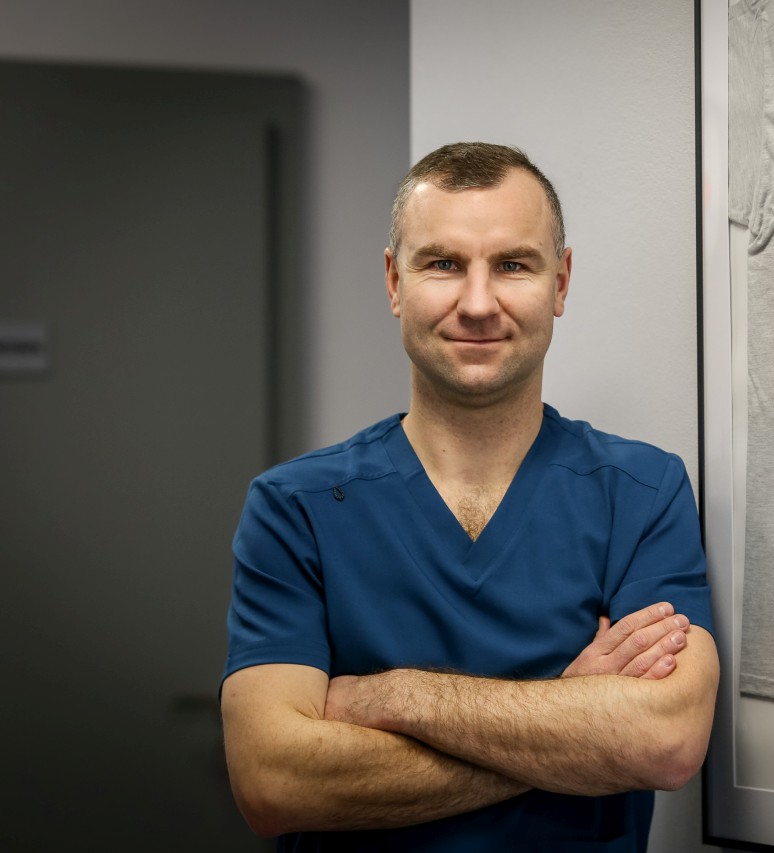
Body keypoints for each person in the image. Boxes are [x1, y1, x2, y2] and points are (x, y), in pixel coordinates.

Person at [219, 142, 718, 851]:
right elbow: (273, 781)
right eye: (443, 264)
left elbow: (665, 741)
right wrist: (572, 719)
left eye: (513, 265)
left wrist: (393, 696)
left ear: (560, 283)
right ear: (394, 282)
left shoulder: (641, 493)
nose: (478, 303)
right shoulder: (296, 508)